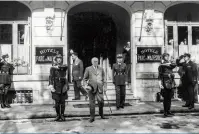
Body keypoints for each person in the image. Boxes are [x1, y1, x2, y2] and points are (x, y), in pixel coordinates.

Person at [82, 57, 107, 123]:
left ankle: (101, 114)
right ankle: (92, 117)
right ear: (92, 62)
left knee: (101, 102)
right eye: (94, 61)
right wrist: (86, 86)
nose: (96, 62)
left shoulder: (101, 69)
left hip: (100, 88)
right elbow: (84, 79)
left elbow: (104, 78)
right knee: (92, 103)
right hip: (91, 88)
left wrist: (105, 87)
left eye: (97, 61)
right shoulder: (88, 69)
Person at [48, 54, 69, 121]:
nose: (59, 59)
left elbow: (65, 66)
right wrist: (51, 85)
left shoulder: (64, 66)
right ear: (56, 59)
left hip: (63, 86)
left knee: (63, 102)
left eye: (60, 58)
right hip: (56, 86)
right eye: (58, 58)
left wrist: (55, 66)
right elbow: (51, 77)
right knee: (57, 102)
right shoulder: (52, 68)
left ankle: (62, 115)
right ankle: (58, 115)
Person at [158, 53, 176, 117]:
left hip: (171, 82)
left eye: (168, 56)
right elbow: (159, 75)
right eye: (166, 56)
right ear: (163, 57)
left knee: (169, 98)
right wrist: (160, 84)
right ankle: (165, 112)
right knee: (165, 98)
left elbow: (174, 65)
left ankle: (168, 110)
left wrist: (172, 60)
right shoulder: (161, 65)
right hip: (165, 82)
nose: (167, 57)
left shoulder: (169, 64)